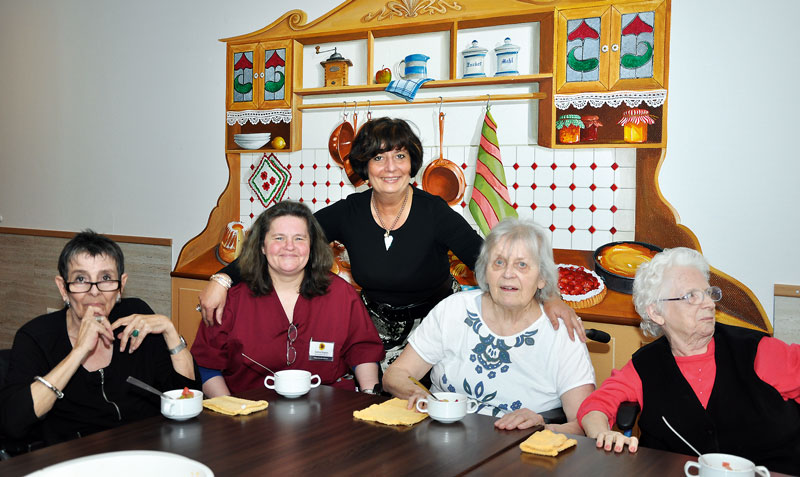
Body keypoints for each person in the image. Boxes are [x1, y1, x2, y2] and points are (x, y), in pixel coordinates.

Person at [198, 117, 585, 372]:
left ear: (411, 162)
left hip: (435, 326)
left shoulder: (434, 212)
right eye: (379, 158)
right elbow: (282, 242)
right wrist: (223, 279)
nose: (390, 167)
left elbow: (490, 261)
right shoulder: (349, 212)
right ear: (364, 166)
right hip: (372, 328)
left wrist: (548, 296)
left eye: (399, 156)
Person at [578, 247, 800, 475]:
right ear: (656, 312)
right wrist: (602, 434)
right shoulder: (645, 366)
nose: (708, 304)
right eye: (691, 296)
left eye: (708, 293)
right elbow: (595, 407)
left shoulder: (758, 351)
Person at [383, 218, 595, 433]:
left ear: (542, 278)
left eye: (522, 264)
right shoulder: (453, 310)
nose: (508, 273)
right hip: (441, 437)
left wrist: (541, 427)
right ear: (484, 271)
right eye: (499, 262)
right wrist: (417, 395)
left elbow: (584, 424)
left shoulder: (562, 331)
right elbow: (396, 374)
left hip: (518, 451)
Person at [0, 231, 199, 446]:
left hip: (146, 451)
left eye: (105, 278)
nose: (94, 292)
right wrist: (78, 352)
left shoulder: (135, 318)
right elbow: (13, 424)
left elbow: (189, 396)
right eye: (81, 279)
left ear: (121, 285)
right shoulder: (35, 337)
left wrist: (170, 332)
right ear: (63, 288)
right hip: (74, 460)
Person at [191, 201, 384, 397]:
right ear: (262, 246)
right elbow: (206, 365)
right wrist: (229, 409)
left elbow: (363, 351)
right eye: (279, 238)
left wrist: (368, 395)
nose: (289, 247)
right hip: (250, 416)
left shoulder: (341, 294)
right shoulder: (231, 300)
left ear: (312, 245)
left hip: (329, 413)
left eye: (299, 238)